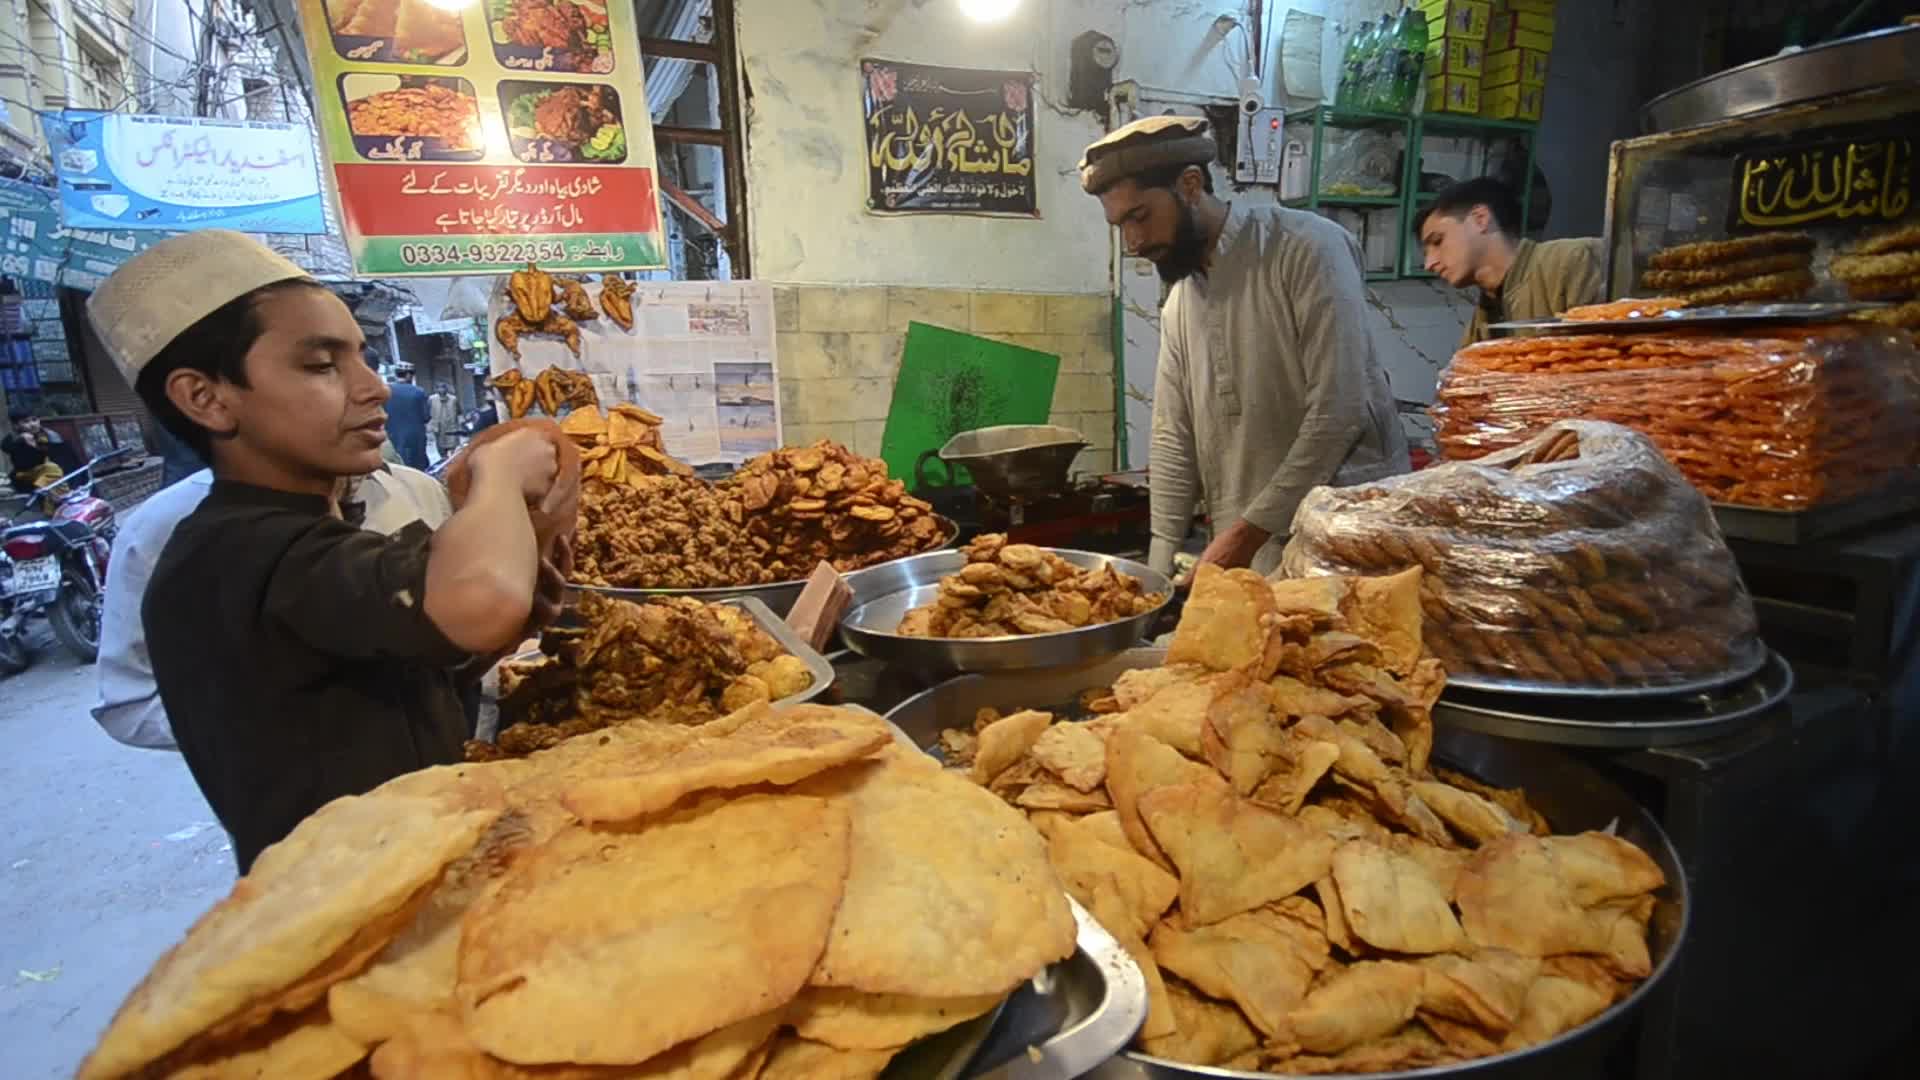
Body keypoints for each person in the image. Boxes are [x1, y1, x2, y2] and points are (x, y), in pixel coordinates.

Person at [86, 230, 576, 873]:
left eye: (364, 359)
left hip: (423, 865)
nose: (373, 388)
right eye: (321, 365)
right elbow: (480, 599)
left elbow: (409, 670)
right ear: (205, 397)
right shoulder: (232, 552)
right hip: (345, 908)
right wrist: (499, 472)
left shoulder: (319, 528)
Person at [1079, 116, 1409, 576]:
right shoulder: (1181, 301)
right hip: (1253, 551)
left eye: (1141, 216)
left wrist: (1245, 533)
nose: (1133, 242)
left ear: (1190, 185)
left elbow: (1339, 411)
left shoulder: (1307, 249)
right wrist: (1154, 577)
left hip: (1348, 542)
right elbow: (1174, 437)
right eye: (1121, 225)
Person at [92, 463, 455, 750]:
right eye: (319, 368)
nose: (374, 388)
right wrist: (282, 725)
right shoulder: (167, 526)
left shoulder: (416, 489)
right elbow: (132, 700)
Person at [1414, 177, 1606, 347]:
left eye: (1437, 241)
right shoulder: (1486, 313)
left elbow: (1604, 363)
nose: (1429, 263)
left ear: (1480, 218)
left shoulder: (1573, 260)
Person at [4, 411, 68, 493]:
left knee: (55, 474)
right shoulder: (14, 439)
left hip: (53, 476)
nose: (32, 424)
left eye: (34, 420)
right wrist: (22, 440)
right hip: (25, 477)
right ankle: (40, 489)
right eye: (26, 422)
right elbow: (6, 447)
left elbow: (63, 458)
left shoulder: (49, 436)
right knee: (52, 468)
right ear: (16, 425)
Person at [385, 361, 433, 470]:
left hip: (393, 438)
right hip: (415, 438)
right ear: (408, 375)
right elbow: (426, 417)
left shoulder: (386, 391)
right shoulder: (418, 392)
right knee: (419, 468)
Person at [429, 381, 461, 461]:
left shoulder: (453, 399)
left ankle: (451, 461)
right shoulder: (432, 399)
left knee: (453, 448)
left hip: (451, 427)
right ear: (436, 389)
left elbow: (459, 412)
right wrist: (431, 426)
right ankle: (443, 460)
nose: (441, 390)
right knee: (441, 448)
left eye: (443, 387)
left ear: (447, 389)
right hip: (439, 428)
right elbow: (429, 413)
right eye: (439, 388)